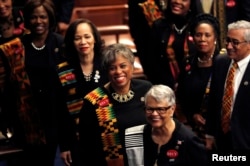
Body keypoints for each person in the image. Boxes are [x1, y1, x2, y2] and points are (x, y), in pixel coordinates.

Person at [13, 0, 72, 165]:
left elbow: (68, 88)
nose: (38, 21)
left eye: (43, 17)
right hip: (27, 118)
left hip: (54, 115)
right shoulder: (19, 46)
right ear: (27, 20)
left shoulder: (61, 44)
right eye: (33, 17)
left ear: (50, 18)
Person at [79, 43, 152, 166]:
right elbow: (86, 146)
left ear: (132, 67)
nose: (118, 71)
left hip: (147, 159)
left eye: (123, 66)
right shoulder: (94, 100)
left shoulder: (146, 89)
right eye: (112, 68)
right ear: (107, 72)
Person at [58, 18, 108, 166]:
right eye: (77, 38)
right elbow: (60, 111)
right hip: (77, 139)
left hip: (108, 136)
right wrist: (65, 145)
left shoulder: (107, 64)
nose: (83, 42)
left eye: (87, 36)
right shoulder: (62, 70)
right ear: (71, 42)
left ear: (95, 39)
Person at [125, 84, 207, 166]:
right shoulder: (134, 136)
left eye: (161, 109)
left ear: (172, 109)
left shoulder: (189, 140)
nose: (154, 114)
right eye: (150, 109)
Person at [205, 20, 250, 151]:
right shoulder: (221, 62)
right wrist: (210, 134)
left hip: (245, 141)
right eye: (227, 40)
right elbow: (213, 101)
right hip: (222, 141)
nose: (229, 46)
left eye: (235, 42)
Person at [176, 13, 220, 139]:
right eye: (198, 35)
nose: (202, 39)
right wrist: (192, 115)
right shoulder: (188, 62)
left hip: (218, 130)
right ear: (193, 38)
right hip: (193, 130)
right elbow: (181, 94)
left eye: (207, 35)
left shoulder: (224, 62)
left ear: (215, 37)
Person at [148, 0, 199, 90]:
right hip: (165, 89)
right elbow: (152, 63)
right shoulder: (159, 26)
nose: (177, 1)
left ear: (191, 4)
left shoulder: (198, 27)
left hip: (194, 88)